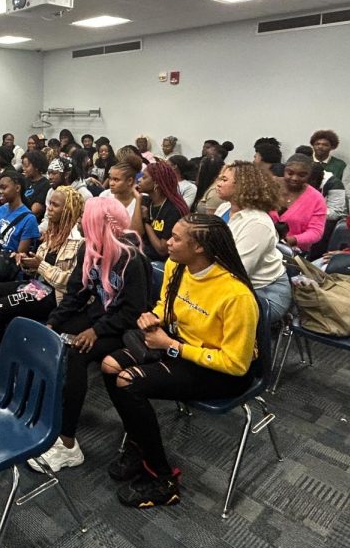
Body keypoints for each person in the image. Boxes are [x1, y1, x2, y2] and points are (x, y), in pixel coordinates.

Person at [102, 214, 259, 508]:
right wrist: (156, 316)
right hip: (182, 349)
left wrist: (171, 345)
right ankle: (138, 444)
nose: (166, 242)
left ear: (199, 247)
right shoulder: (177, 266)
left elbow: (236, 364)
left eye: (175, 238)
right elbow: (168, 305)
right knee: (110, 366)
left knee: (128, 383)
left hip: (223, 372)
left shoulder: (236, 295)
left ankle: (163, 479)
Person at [30, 197, 152, 473]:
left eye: (86, 217)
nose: (81, 222)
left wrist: (95, 332)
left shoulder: (133, 259)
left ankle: (68, 443)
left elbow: (134, 312)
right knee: (48, 339)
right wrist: (53, 323)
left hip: (125, 328)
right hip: (102, 317)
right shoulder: (89, 247)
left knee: (76, 353)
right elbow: (77, 293)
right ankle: (45, 412)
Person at [0, 186, 84, 364]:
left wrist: (40, 265)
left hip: (56, 296)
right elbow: (37, 268)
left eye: (55, 205)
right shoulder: (52, 233)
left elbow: (71, 283)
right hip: (38, 286)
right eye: (50, 203)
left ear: (68, 209)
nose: (49, 208)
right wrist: (26, 262)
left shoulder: (79, 242)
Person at [213, 161, 292, 322]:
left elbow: (238, 271)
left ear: (242, 185)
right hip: (229, 282)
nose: (218, 184)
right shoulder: (223, 209)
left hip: (264, 292)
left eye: (224, 180)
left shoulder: (257, 223)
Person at [137, 160, 189, 261]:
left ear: (156, 183)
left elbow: (162, 250)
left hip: (163, 262)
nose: (139, 180)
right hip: (143, 255)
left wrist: (146, 221)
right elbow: (136, 233)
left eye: (144, 177)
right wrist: (137, 198)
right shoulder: (145, 201)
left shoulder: (173, 210)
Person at [275, 153, 327, 252]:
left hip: (293, 251)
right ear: (284, 170)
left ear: (309, 175)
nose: (294, 178)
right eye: (290, 173)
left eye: (302, 175)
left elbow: (316, 231)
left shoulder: (316, 198)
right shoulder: (269, 185)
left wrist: (290, 240)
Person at [0, 171, 40, 256]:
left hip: (8, 264)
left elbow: (20, 254)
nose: (0, 191)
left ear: (17, 188)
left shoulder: (29, 218)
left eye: (4, 188)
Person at [20, 150, 51, 218]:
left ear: (36, 166)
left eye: (26, 166)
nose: (23, 168)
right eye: (23, 166)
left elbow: (35, 210)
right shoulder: (24, 180)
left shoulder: (45, 184)